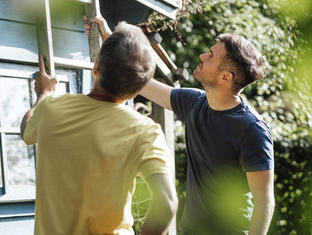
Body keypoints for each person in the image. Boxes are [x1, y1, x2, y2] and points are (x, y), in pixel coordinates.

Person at [88, 16, 275, 234]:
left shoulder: (252, 130)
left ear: (225, 77)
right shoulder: (194, 103)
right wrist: (109, 39)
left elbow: (264, 203)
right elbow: (138, 81)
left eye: (211, 56)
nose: (202, 56)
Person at [21, 21, 178, 235]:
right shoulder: (144, 131)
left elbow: (27, 130)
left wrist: (43, 94)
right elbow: (167, 202)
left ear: (96, 69)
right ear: (137, 91)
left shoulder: (51, 108)